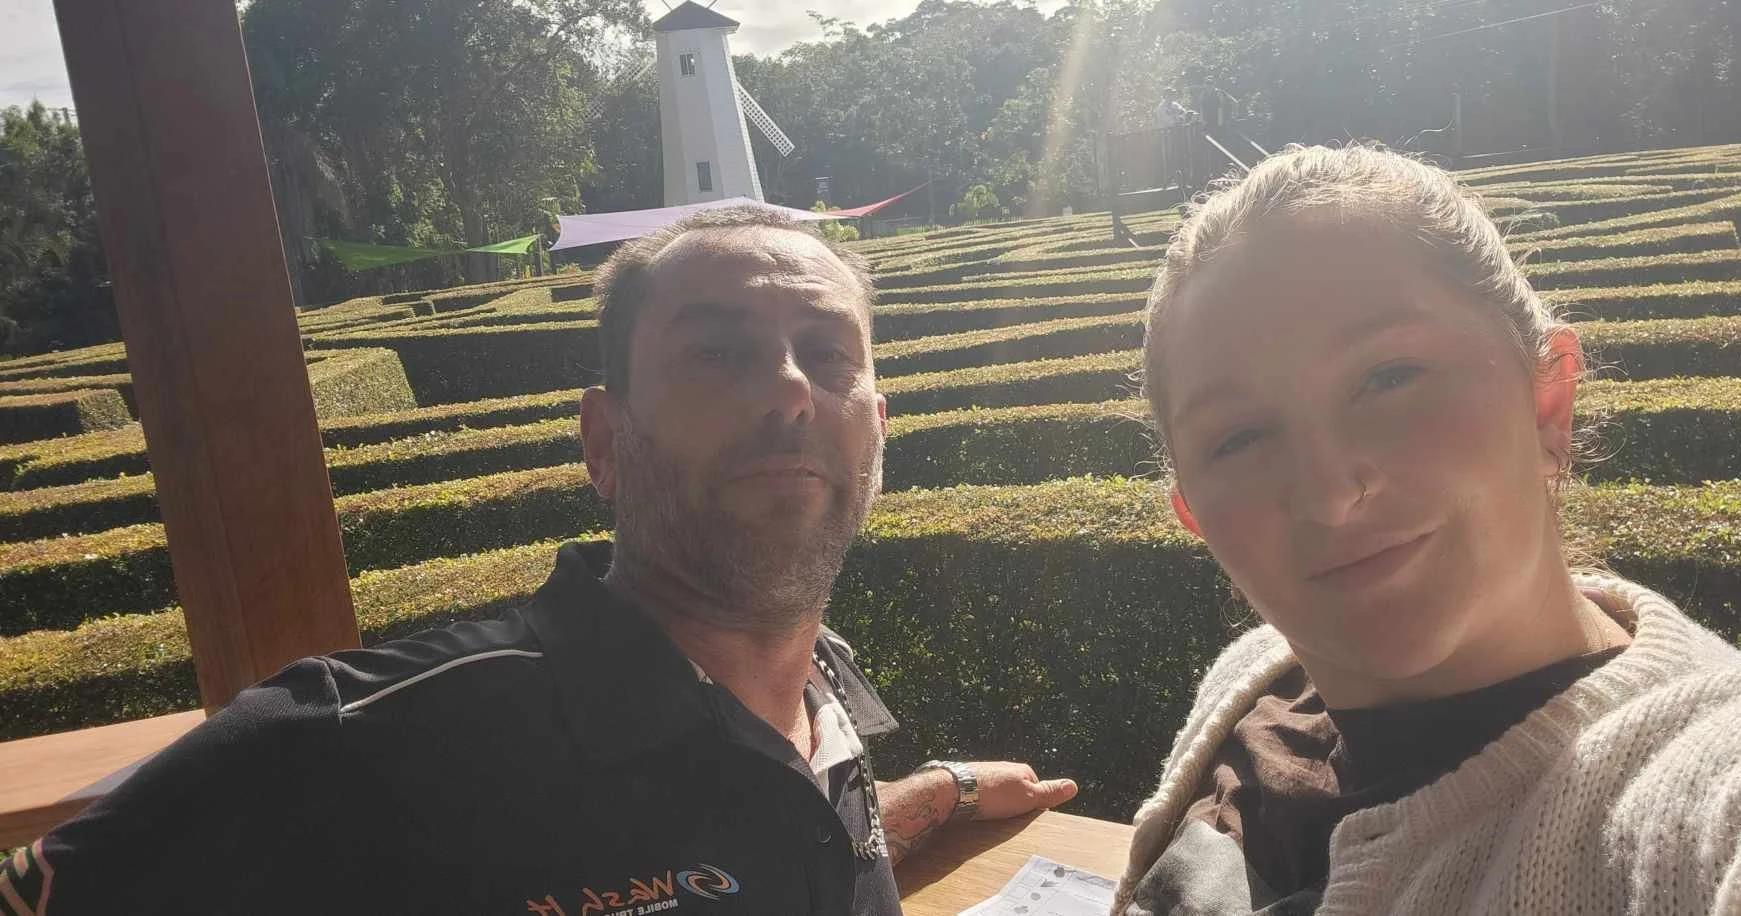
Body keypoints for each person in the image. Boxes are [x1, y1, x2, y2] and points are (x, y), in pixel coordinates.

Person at [8, 207, 1078, 915]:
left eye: (829, 352)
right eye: (716, 351)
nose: (790, 387)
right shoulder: (359, 742)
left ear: (876, 428)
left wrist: (932, 792)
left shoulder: (822, 701)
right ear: (604, 443)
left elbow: (734, 856)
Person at [1114, 145, 1741, 914]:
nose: (1330, 492)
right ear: (1192, 510)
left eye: (1389, 377)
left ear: (1548, 399)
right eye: (1238, 437)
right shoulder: (1251, 676)